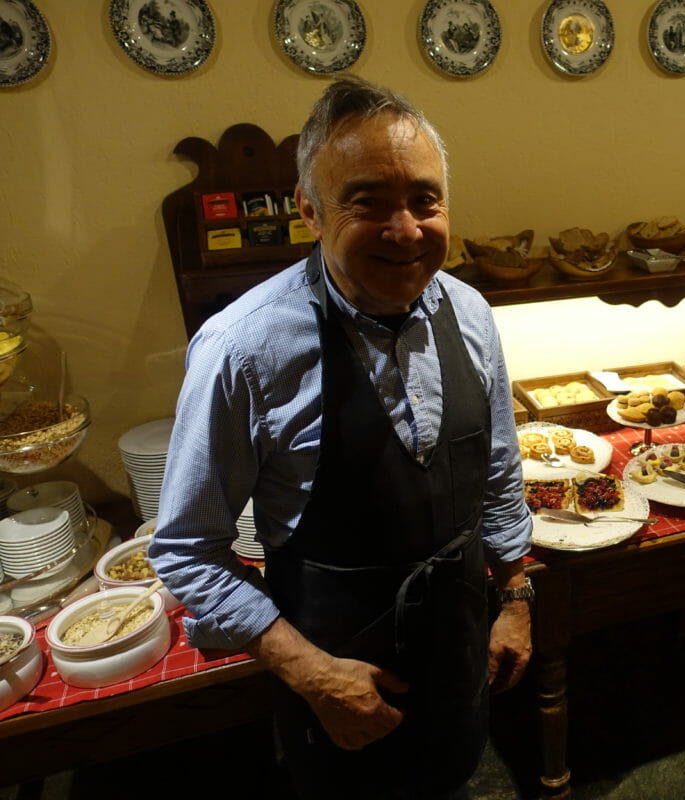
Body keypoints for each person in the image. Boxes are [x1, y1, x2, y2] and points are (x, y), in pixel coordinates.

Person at [149, 75, 534, 799]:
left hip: (458, 657)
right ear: (310, 212)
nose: (406, 229)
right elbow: (186, 549)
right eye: (367, 202)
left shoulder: (473, 313)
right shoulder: (243, 349)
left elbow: (498, 476)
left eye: (425, 200)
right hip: (334, 678)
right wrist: (310, 673)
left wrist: (515, 599)